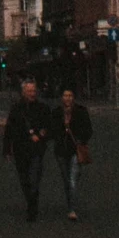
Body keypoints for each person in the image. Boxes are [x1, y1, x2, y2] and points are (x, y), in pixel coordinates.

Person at [2, 77, 52, 222]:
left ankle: (32, 206)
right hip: (20, 149)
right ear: (23, 92)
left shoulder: (42, 108)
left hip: (36, 149)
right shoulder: (16, 109)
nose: (32, 93)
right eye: (29, 91)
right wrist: (7, 149)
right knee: (24, 180)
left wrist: (42, 135)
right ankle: (31, 202)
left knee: (34, 179)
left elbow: (49, 126)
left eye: (33, 90)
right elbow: (9, 130)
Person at [49, 87, 93, 218]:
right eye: (65, 95)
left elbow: (88, 129)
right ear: (61, 98)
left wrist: (81, 139)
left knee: (73, 179)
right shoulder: (56, 112)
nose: (67, 98)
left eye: (70, 95)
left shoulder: (81, 111)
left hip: (75, 148)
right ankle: (70, 203)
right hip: (61, 150)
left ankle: (72, 209)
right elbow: (52, 129)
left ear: (73, 97)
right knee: (66, 179)